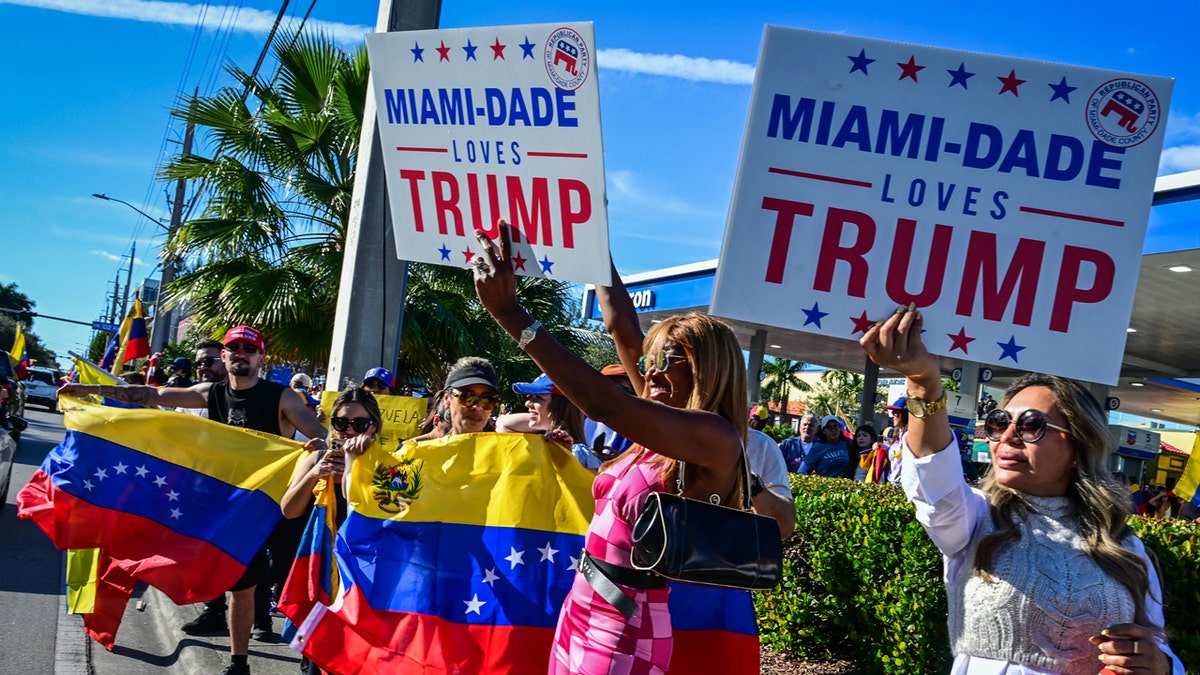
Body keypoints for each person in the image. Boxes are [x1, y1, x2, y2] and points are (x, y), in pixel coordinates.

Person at [472, 224, 754, 673]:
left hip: (626, 620)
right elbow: (620, 320)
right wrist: (588, 234)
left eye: (667, 361)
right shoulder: (660, 417)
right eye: (647, 362)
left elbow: (603, 402)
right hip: (584, 604)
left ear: (706, 368)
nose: (651, 371)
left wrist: (511, 315)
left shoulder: (713, 437)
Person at [860, 303, 1182, 674]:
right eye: (999, 423)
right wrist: (922, 382)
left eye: (1031, 426)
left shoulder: (1124, 545)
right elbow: (933, 476)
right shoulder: (976, 517)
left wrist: (1160, 666)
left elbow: (1157, 648)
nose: (1007, 437)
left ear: (1077, 447)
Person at [58, 325, 327, 675]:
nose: (240, 355)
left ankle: (311, 656)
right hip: (233, 510)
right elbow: (150, 396)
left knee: (295, 583)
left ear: (261, 358)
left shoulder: (283, 398)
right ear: (225, 356)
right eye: (234, 349)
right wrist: (89, 390)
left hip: (281, 507)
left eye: (249, 349)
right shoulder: (209, 393)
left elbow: (321, 437)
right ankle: (238, 662)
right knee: (241, 587)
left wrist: (320, 448)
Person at [512, 372, 601, 472]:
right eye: (529, 397)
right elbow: (503, 423)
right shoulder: (542, 443)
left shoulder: (578, 453)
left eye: (538, 398)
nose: (527, 403)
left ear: (562, 407)